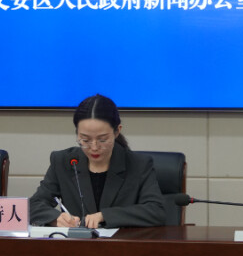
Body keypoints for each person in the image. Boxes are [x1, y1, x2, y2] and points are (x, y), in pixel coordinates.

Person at [29, 94, 165, 228]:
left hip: (121, 241)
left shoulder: (139, 164)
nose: (94, 147)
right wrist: (56, 219)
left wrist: (104, 216)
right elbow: (34, 205)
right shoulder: (63, 161)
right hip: (75, 241)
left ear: (117, 131)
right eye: (85, 140)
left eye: (102, 139)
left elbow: (156, 211)